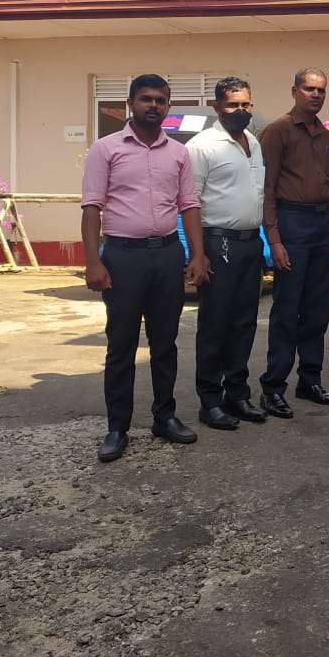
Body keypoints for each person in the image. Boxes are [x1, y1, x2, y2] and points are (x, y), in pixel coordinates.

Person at [81, 74, 209, 463]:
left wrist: (197, 255)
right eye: (146, 99)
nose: (153, 106)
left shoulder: (178, 153)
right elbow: (91, 208)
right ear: (130, 103)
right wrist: (93, 261)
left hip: (166, 254)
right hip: (122, 257)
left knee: (165, 342)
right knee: (121, 346)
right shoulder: (105, 150)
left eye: (160, 100)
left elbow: (189, 205)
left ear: (168, 106)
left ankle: (164, 417)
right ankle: (117, 428)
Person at [258, 68, 329, 417]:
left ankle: (309, 380)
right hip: (291, 223)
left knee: (316, 310)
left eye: (321, 90)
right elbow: (266, 190)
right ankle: (273, 387)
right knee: (287, 310)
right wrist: (275, 239)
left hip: (321, 224)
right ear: (294, 90)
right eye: (309, 89)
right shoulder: (278, 131)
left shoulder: (323, 135)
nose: (315, 95)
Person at [186, 76, 268, 431]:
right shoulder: (201, 146)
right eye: (233, 105)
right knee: (215, 325)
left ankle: (237, 394)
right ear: (217, 107)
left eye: (246, 104)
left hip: (251, 243)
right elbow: (189, 202)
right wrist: (197, 254)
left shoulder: (253, 142)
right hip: (218, 243)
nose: (241, 111)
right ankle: (210, 400)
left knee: (244, 322)